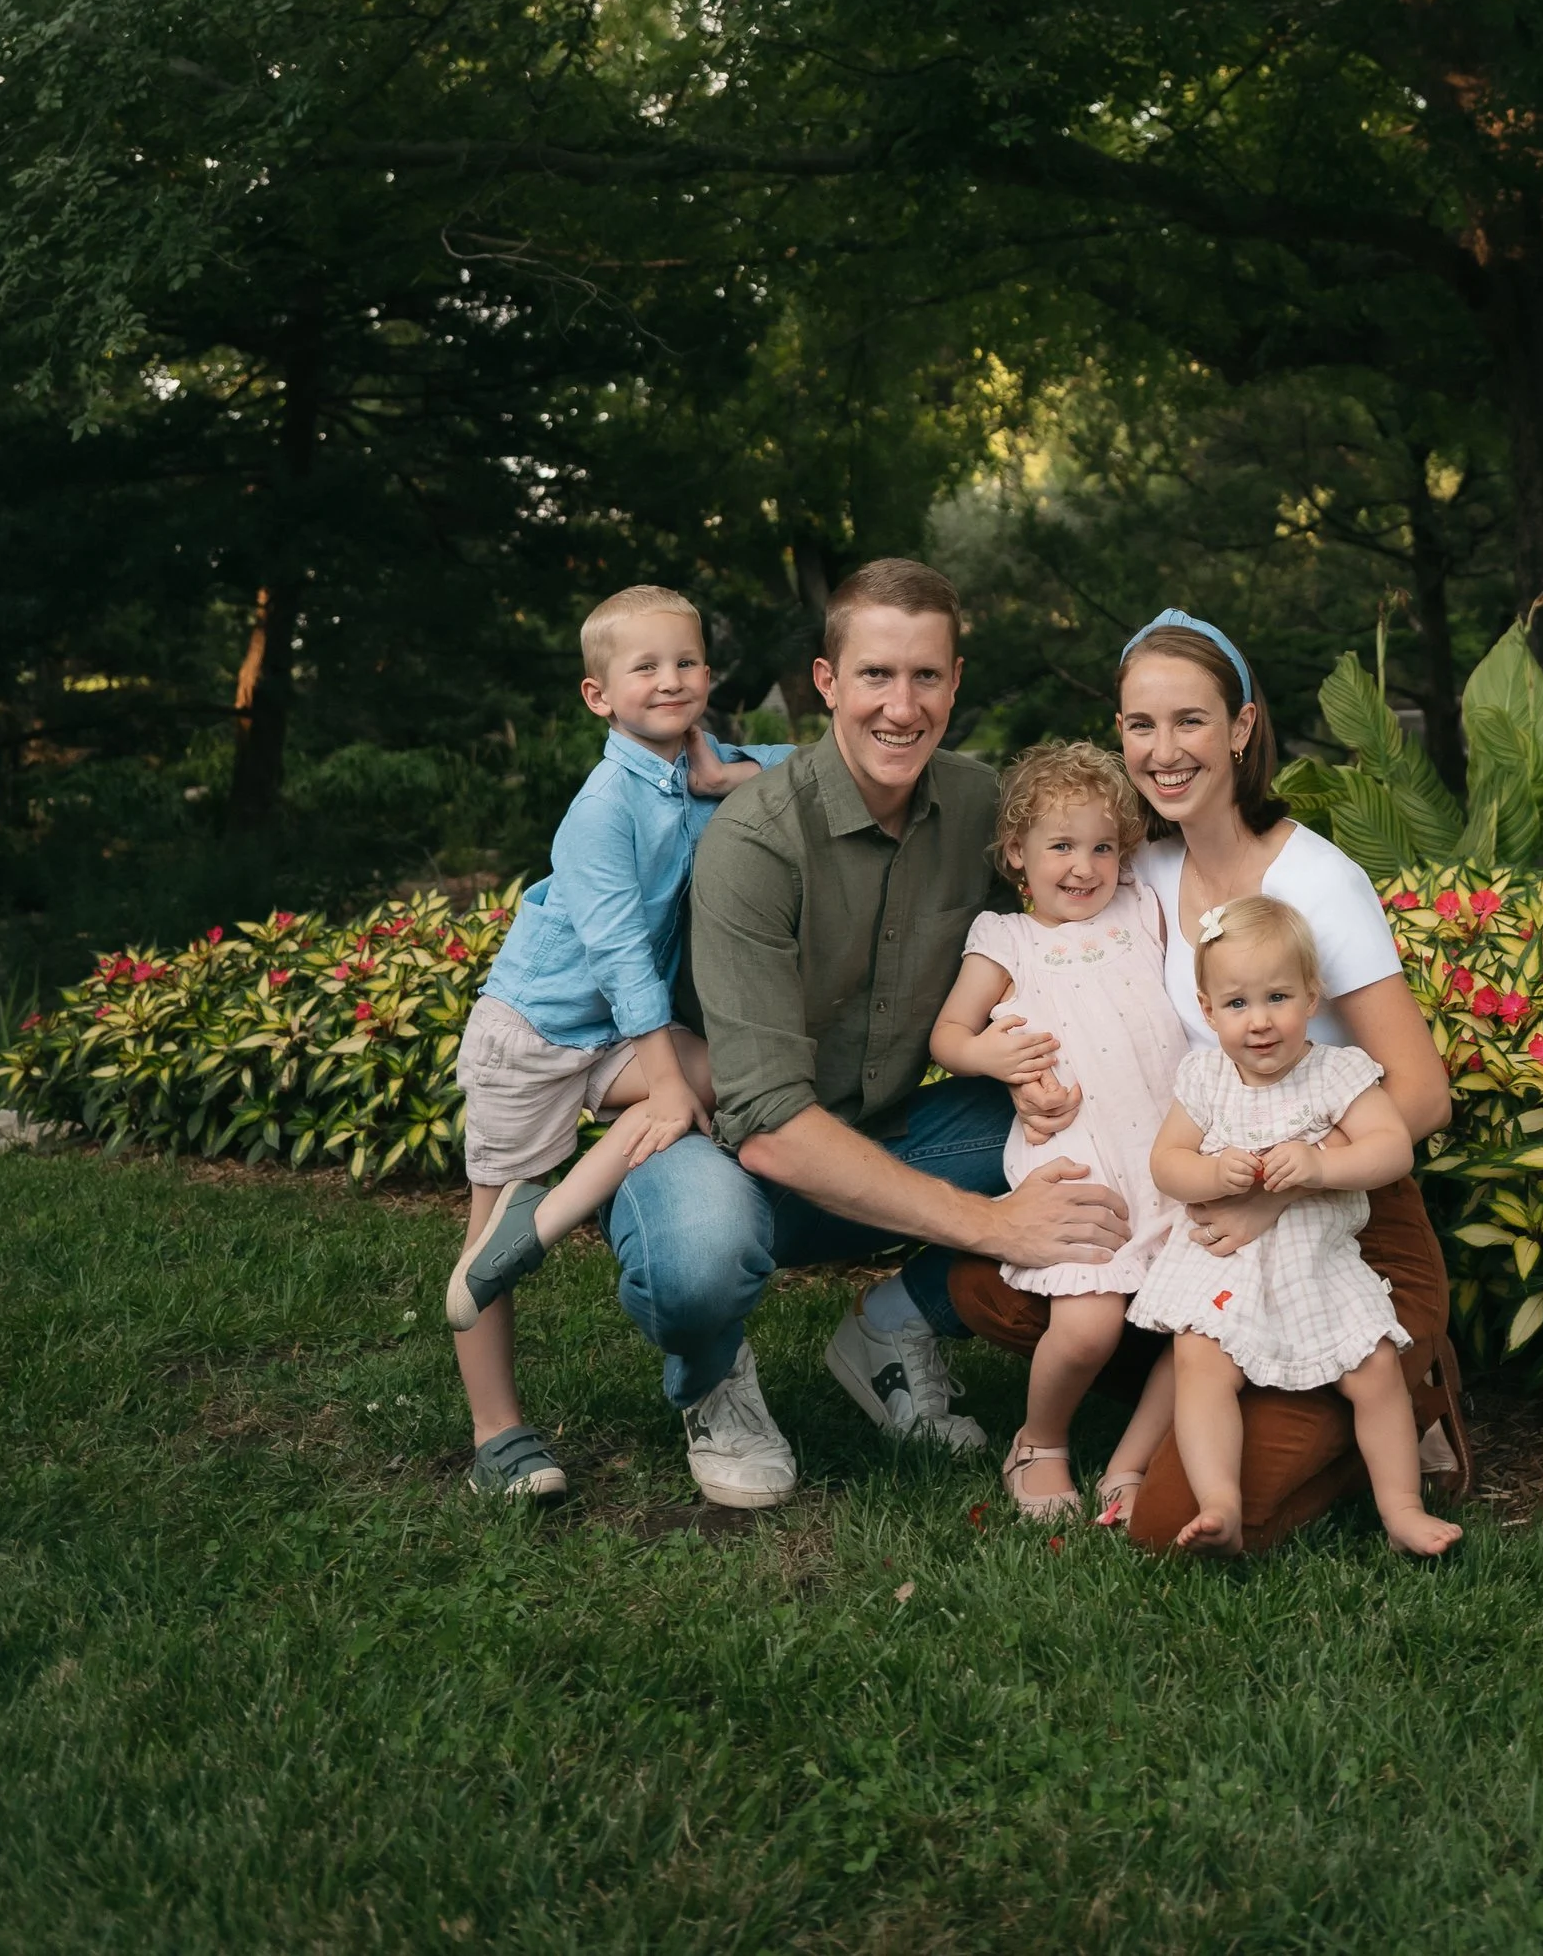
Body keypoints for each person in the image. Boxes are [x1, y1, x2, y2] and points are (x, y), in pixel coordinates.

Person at [596, 557, 1134, 1509]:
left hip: (888, 1130)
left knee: (1097, 1130)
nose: (901, 705)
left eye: (926, 675)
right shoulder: (757, 840)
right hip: (725, 1148)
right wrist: (995, 1224)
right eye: (876, 676)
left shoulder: (978, 807)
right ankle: (714, 1378)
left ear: (956, 682)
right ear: (827, 682)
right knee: (695, 1261)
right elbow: (761, 1119)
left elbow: (1103, 851)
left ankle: (893, 1325)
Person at [949, 605, 1469, 1552]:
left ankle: (1412, 1384)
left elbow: (1424, 1096)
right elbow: (1062, 990)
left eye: (1191, 721)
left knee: (1165, 1522)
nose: (1164, 749)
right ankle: (1200, 1400)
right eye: (1141, 725)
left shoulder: (1318, 882)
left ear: (1240, 729)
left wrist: (1277, 1192)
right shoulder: (1134, 871)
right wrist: (1025, 1073)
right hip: (1199, 1207)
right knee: (998, 1290)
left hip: (1343, 1219)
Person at [446, 583, 789, 1500]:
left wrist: (732, 779)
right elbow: (619, 958)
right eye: (646, 668)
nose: (671, 680)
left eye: (686, 663)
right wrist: (667, 1080)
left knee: (734, 1078)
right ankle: (498, 1434)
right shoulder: (603, 805)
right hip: (540, 1031)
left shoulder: (691, 767)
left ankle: (558, 1212)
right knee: (482, 1257)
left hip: (612, 1032)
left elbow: (812, 766)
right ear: (600, 696)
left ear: (709, 675)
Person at [1132, 894, 1460, 1557]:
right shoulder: (1206, 1079)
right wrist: (1210, 1174)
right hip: (1226, 1266)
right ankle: (1220, 1500)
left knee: (1372, 1368)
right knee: (1200, 1361)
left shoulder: (1335, 1074)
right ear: (1207, 1011)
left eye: (1277, 997)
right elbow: (1166, 1163)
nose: (1259, 1022)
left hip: (1318, 1259)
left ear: (1313, 998)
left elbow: (1392, 1148)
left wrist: (1317, 1163)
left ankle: (1400, 1508)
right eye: (1236, 1004)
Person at [928, 740, 1187, 1524]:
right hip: (1083, 1162)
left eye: (1103, 846)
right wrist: (991, 1056)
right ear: (1018, 852)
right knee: (1087, 1327)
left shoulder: (1141, 910)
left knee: (1202, 1319)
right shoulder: (1007, 939)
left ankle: (1132, 1463)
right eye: (1061, 846)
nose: (1084, 866)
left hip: (1169, 1155)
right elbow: (947, 1036)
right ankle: (1040, 1442)